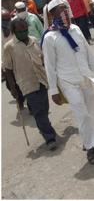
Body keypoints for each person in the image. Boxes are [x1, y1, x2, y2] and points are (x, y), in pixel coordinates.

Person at [41, 0, 94, 165]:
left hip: (85, 77)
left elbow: (88, 52)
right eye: (60, 10)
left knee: (92, 111)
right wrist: (53, 90)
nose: (65, 12)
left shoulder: (75, 29)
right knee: (81, 114)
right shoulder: (50, 37)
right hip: (68, 81)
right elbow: (50, 65)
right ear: (52, 14)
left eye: (66, 9)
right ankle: (89, 147)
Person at [4, 18, 57, 150]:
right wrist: (13, 88)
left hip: (41, 79)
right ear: (14, 31)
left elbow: (43, 59)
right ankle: (50, 137)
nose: (24, 32)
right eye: (20, 31)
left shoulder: (34, 40)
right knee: (39, 112)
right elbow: (8, 70)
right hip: (26, 83)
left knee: (44, 108)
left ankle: (44, 127)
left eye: (25, 29)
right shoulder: (9, 47)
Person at [2, 8, 25, 110]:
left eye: (8, 19)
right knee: (10, 85)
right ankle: (19, 99)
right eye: (4, 20)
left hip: (18, 58)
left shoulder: (15, 26)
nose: (7, 22)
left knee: (22, 82)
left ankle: (27, 103)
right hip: (6, 62)